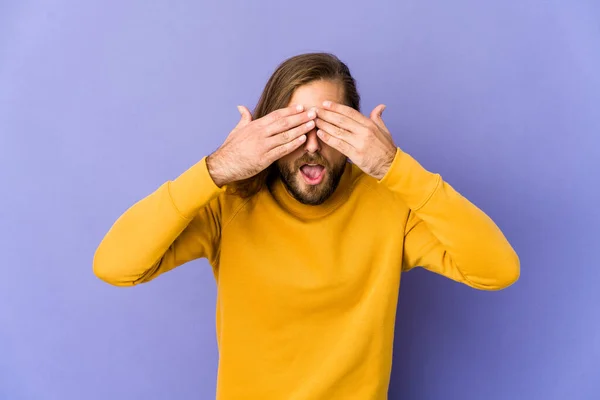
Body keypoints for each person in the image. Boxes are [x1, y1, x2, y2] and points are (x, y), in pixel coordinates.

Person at [93, 52, 519, 399]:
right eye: (294, 128)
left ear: (356, 131)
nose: (312, 147)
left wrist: (394, 168)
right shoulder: (230, 205)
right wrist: (218, 168)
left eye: (328, 127)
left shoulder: (391, 205)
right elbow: (115, 265)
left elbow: (497, 270)